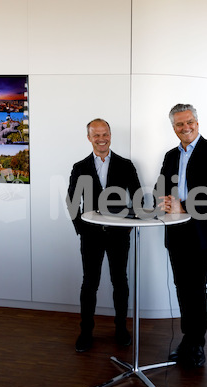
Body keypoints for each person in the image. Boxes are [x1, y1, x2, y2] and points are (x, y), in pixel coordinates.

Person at [157, 104, 207, 368]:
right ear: (173, 127)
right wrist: (162, 199)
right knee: (181, 286)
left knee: (197, 287)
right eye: (179, 124)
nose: (185, 128)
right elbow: (160, 185)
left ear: (197, 122)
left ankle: (197, 345)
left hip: (201, 230)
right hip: (176, 230)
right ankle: (187, 339)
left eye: (189, 122)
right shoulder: (170, 155)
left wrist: (183, 206)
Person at [67, 118, 142, 352]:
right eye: (96, 135)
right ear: (89, 138)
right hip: (91, 237)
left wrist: (129, 224)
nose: (102, 139)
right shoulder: (80, 167)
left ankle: (121, 329)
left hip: (119, 236)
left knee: (120, 282)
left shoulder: (126, 164)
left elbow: (138, 197)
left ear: (110, 135)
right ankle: (86, 332)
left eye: (105, 134)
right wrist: (82, 229)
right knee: (90, 283)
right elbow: (72, 202)